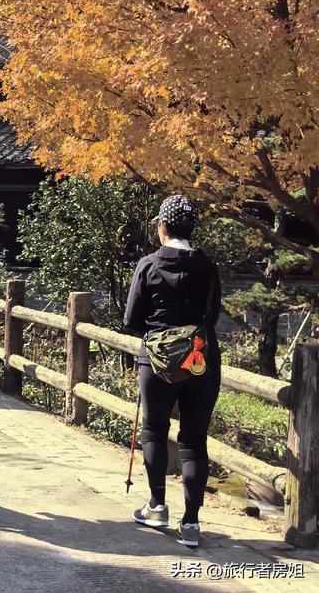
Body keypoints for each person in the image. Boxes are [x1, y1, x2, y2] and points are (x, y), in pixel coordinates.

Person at [124, 195, 221, 549]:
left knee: (154, 430)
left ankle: (156, 505)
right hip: (200, 358)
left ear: (162, 227)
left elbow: (131, 319)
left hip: (158, 361)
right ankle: (191, 524)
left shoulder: (148, 265)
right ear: (191, 227)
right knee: (194, 439)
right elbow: (211, 316)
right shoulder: (208, 267)